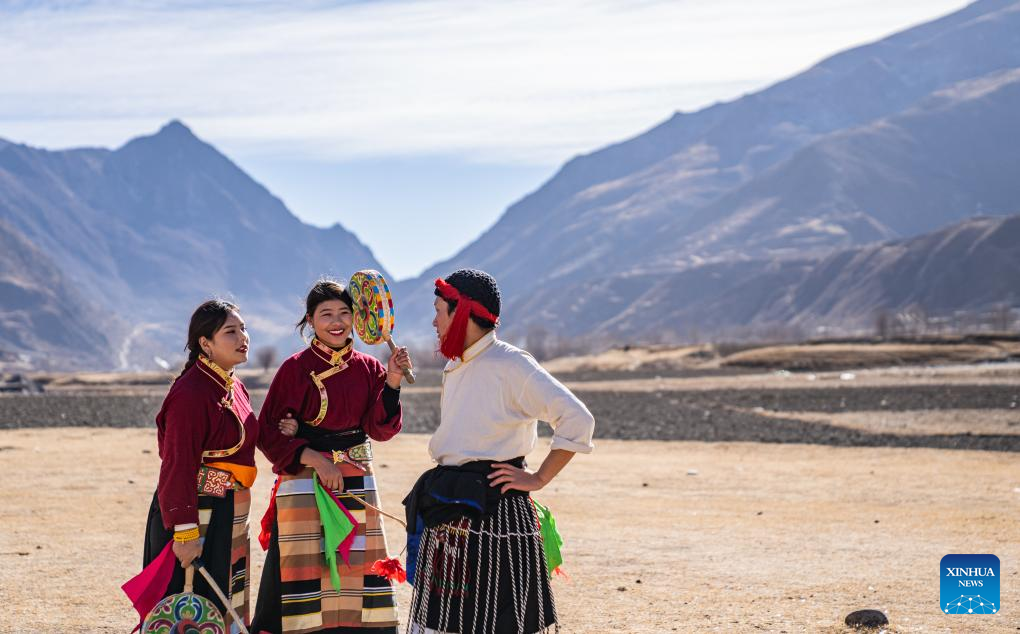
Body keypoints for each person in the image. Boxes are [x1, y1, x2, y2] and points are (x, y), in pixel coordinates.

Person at [403, 269, 595, 634]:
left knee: (495, 621)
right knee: (439, 622)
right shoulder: (457, 363)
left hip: (496, 508)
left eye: (439, 310)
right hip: (449, 502)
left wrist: (538, 477)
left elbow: (577, 419)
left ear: (461, 313)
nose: (433, 320)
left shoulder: (511, 364)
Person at [253, 279, 413, 634]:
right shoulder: (293, 370)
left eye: (344, 312)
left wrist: (393, 381)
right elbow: (268, 433)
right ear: (310, 320)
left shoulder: (370, 368)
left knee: (358, 567)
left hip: (357, 477)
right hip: (305, 479)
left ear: (357, 317)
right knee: (305, 568)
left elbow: (380, 429)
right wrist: (315, 457)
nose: (336, 321)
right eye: (326, 314)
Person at [142, 299, 259, 631]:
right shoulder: (192, 392)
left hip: (226, 511)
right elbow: (178, 465)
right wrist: (185, 531)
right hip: (196, 516)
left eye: (243, 329)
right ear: (205, 343)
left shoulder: (233, 385)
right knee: (192, 608)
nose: (243, 337)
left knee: (223, 603)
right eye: (231, 332)